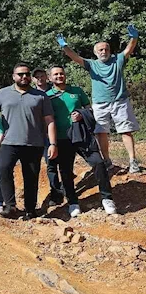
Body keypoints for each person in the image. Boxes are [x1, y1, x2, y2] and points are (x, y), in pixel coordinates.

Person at [58, 26, 140, 173]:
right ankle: (107, 161)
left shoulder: (117, 60)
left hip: (120, 101)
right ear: (95, 53)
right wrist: (65, 46)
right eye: (100, 50)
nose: (104, 52)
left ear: (110, 51)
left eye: (106, 49)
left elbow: (129, 49)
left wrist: (133, 37)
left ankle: (133, 161)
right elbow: (75, 57)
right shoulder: (92, 64)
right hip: (100, 104)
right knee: (101, 132)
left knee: (126, 131)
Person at [46, 66, 115, 216]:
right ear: (50, 78)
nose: (59, 76)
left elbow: (90, 110)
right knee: (65, 171)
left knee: (98, 163)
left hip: (82, 135)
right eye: (56, 74)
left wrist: (81, 114)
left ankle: (107, 198)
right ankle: (73, 202)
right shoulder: (47, 95)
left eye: (61, 73)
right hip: (62, 138)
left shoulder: (77, 91)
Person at [0, 63, 57, 219]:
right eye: (20, 74)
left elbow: (50, 120)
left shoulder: (41, 96)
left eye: (26, 74)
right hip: (8, 142)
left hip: (33, 143)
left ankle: (30, 210)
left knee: (31, 177)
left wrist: (53, 144)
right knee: (4, 170)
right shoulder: (2, 93)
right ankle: (10, 206)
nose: (24, 77)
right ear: (13, 76)